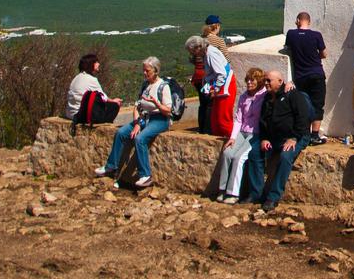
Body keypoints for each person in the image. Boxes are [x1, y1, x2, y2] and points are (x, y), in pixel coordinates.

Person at [94, 56, 173, 188]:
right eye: (144, 70)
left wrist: (156, 104)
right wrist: (137, 123)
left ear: (155, 71)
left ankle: (145, 175)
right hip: (144, 118)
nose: (144, 73)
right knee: (121, 133)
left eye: (147, 71)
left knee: (140, 139)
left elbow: (168, 110)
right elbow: (137, 106)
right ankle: (111, 166)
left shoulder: (163, 87)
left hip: (159, 119)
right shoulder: (145, 85)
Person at [255, 69, 312, 212]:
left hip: (296, 137)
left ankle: (273, 197)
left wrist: (294, 138)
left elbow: (303, 118)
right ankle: (255, 193)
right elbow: (263, 122)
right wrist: (264, 138)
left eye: (269, 80)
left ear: (280, 81)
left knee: (285, 156)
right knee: (254, 155)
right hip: (275, 138)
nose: (266, 83)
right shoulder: (267, 99)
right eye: (265, 80)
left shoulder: (292, 95)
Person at [213, 67, 267, 204]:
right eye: (248, 79)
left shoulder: (264, 96)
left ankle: (233, 192)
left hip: (255, 133)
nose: (249, 82)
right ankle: (222, 188)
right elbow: (238, 119)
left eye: (252, 80)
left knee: (239, 157)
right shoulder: (244, 97)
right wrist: (232, 137)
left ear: (259, 81)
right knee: (227, 153)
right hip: (242, 132)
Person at [283, 11, 327, 146]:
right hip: (316, 74)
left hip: (300, 77)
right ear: (309, 21)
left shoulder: (291, 34)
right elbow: (324, 54)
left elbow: (287, 48)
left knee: (303, 105)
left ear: (297, 21)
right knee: (318, 105)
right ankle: (315, 135)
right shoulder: (316, 35)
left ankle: (304, 134)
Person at [187, 35, 236, 138]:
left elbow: (221, 73)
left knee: (223, 118)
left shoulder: (211, 54)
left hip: (224, 86)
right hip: (217, 86)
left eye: (192, 51)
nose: (192, 54)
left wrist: (216, 89)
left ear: (198, 47)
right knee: (215, 119)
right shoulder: (206, 54)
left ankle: (229, 141)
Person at [67, 53, 121, 124]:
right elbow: (104, 98)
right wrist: (114, 101)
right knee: (115, 106)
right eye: (96, 62)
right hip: (80, 115)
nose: (98, 64)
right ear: (91, 64)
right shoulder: (91, 79)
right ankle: (104, 125)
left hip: (70, 114)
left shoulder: (76, 77)